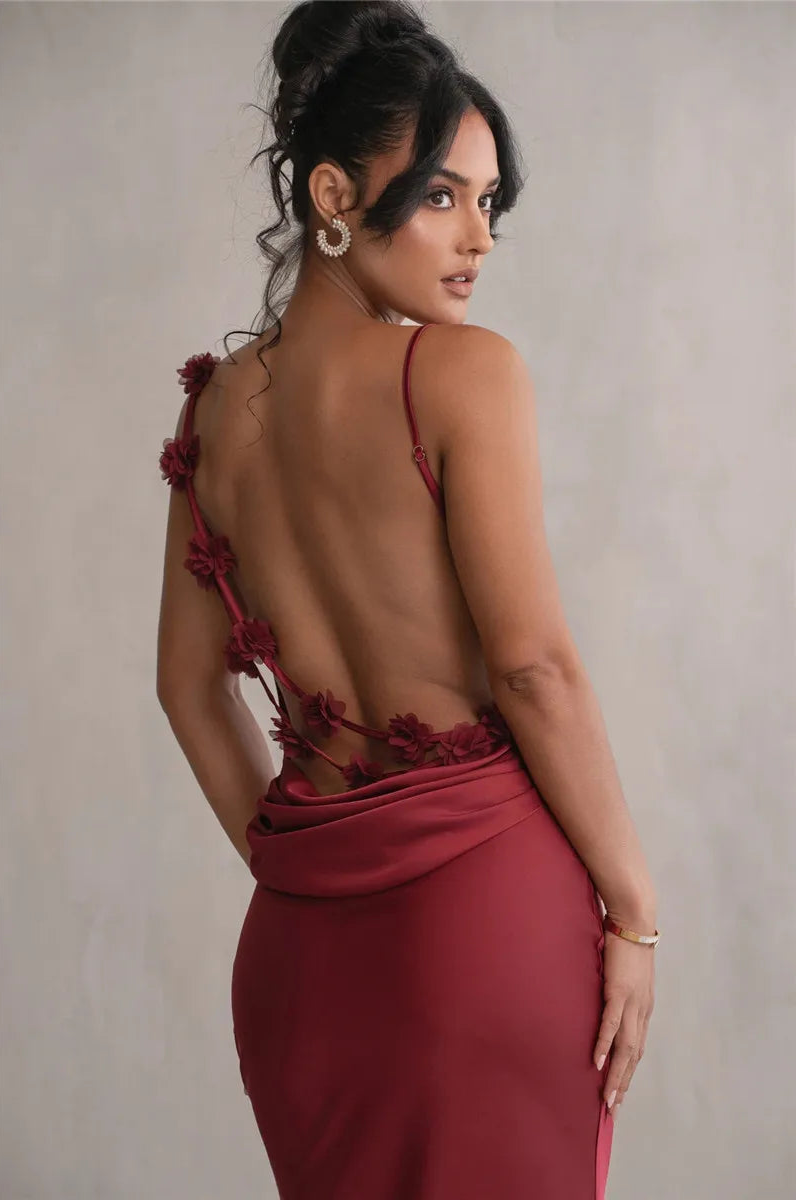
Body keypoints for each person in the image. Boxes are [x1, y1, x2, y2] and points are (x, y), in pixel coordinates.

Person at [156, 2, 657, 1196]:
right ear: (332, 195)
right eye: (440, 196)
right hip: (481, 930)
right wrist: (633, 913)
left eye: (488, 203)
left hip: (298, 961)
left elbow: (185, 690)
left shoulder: (212, 410)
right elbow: (531, 667)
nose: (477, 237)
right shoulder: (461, 373)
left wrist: (306, 872)